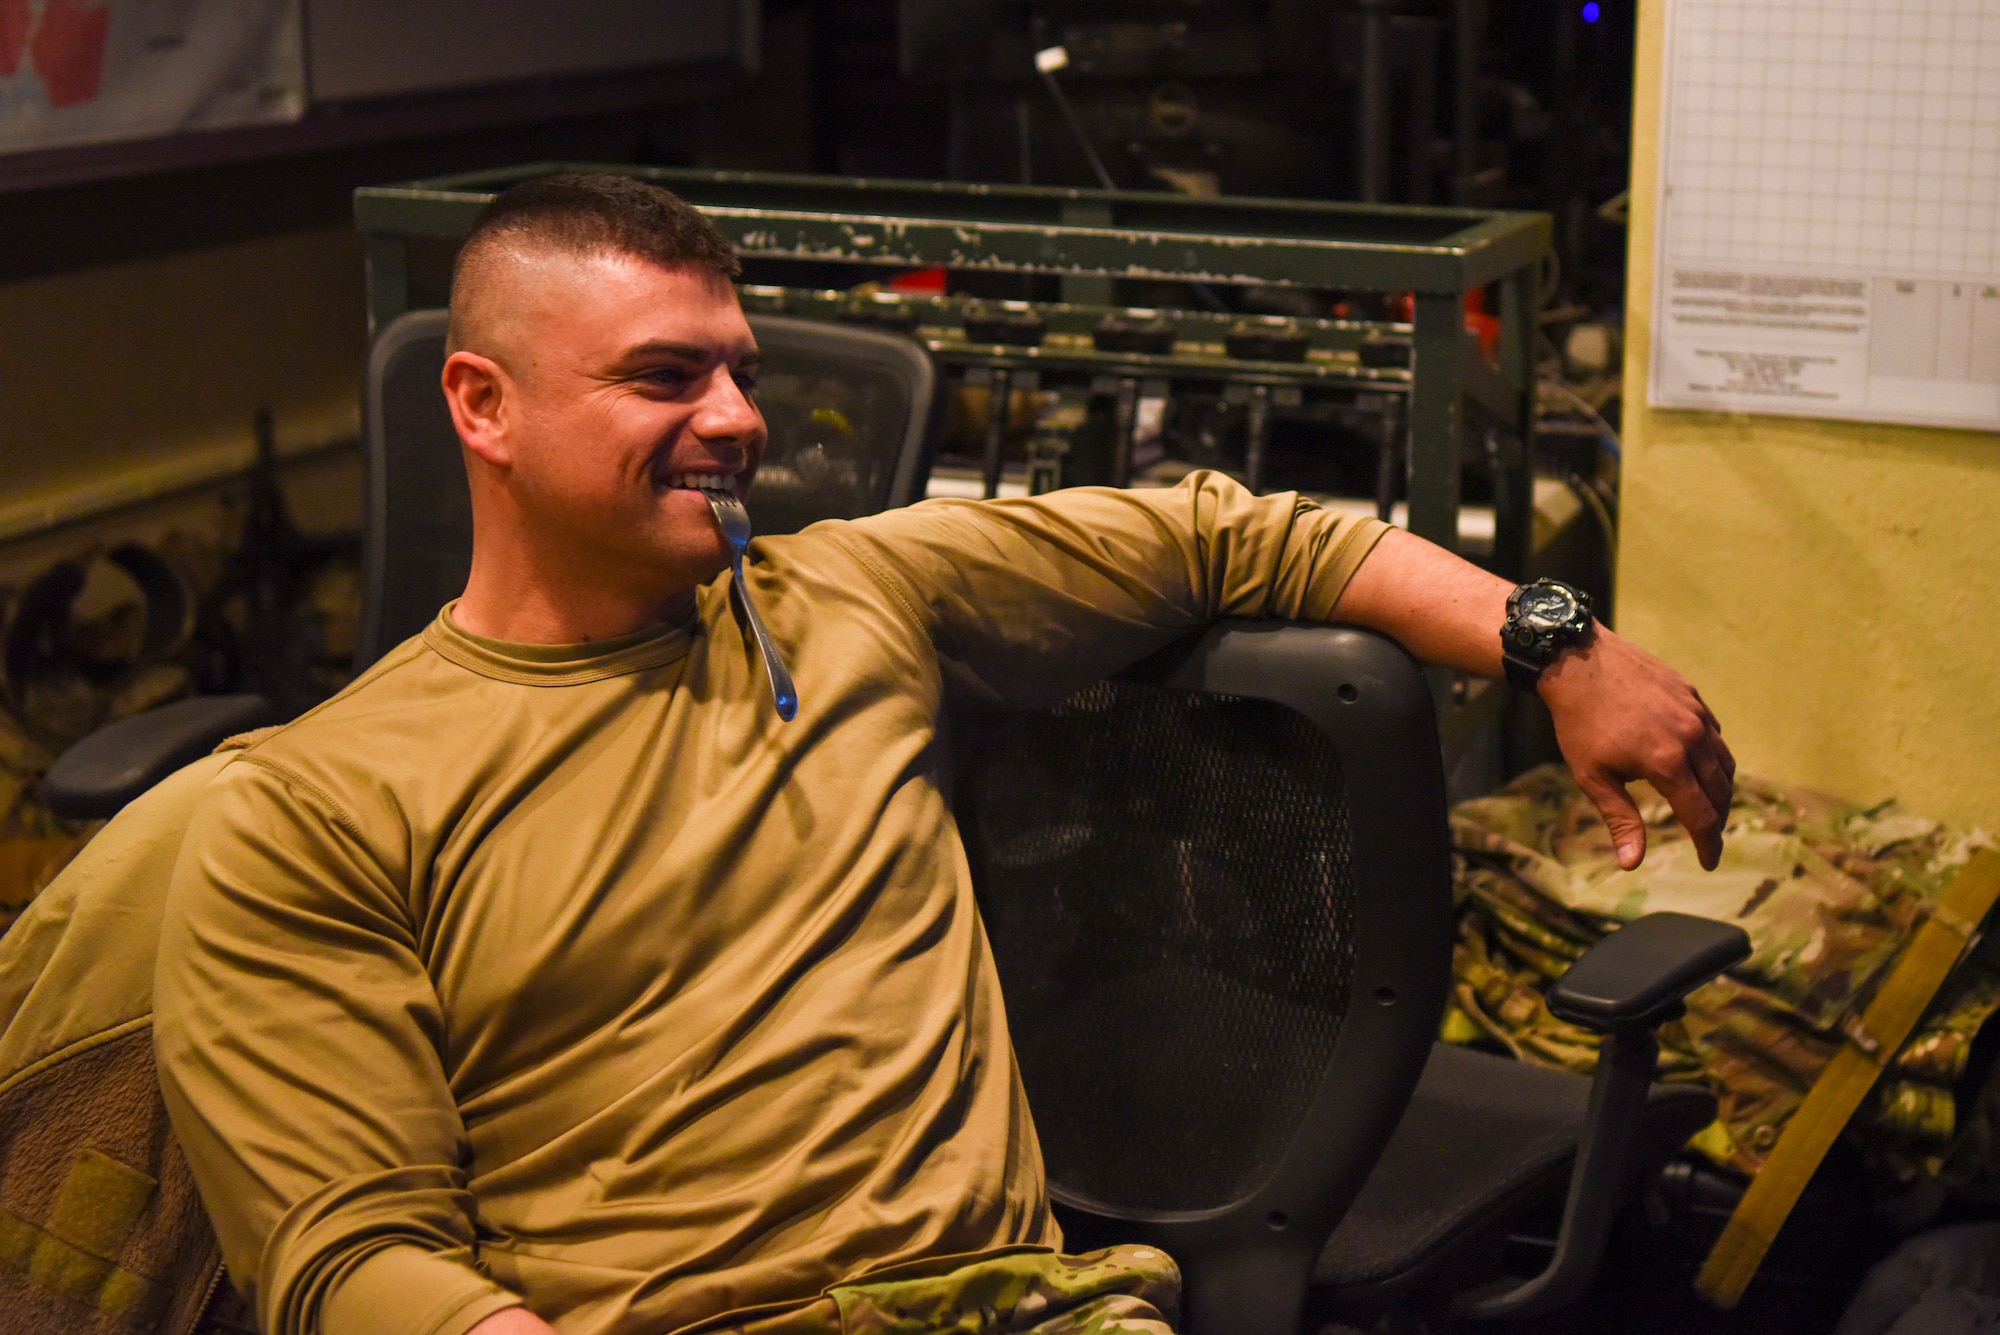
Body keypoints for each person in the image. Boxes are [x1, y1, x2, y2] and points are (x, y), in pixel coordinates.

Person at [153, 174, 1734, 1335]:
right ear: (482, 407)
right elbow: (348, 1255)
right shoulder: (316, 807)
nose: (733, 421)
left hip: (1021, 1308)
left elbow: (1229, 533)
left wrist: (1559, 643)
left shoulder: (856, 594)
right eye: (662, 377)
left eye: (741, 374)